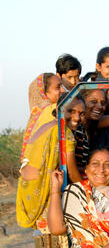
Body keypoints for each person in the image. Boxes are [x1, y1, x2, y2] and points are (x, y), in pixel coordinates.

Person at [16, 81, 81, 233]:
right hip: (43, 194)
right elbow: (71, 171)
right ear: (60, 109)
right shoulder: (65, 133)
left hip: (27, 191)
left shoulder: (44, 120)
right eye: (71, 111)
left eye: (81, 113)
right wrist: (87, 191)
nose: (77, 118)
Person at [20, 73, 65, 162]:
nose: (63, 90)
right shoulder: (51, 112)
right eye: (57, 87)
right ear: (43, 93)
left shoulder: (36, 115)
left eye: (61, 86)